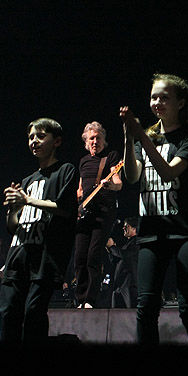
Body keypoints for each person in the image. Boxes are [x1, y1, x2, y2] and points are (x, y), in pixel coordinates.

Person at [120, 73, 188, 346]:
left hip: (186, 231)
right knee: (146, 307)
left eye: (164, 97)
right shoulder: (143, 137)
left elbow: (169, 173)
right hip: (151, 232)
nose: (157, 101)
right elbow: (133, 177)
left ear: (181, 103)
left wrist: (141, 137)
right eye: (153, 97)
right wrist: (129, 137)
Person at [0, 118, 78, 343]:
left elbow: (64, 209)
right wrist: (13, 209)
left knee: (33, 314)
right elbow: (12, 226)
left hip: (44, 258)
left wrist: (28, 200)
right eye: (31, 137)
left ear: (57, 141)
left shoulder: (65, 171)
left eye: (41, 136)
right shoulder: (27, 180)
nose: (34, 141)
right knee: (7, 313)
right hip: (18, 256)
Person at [74, 121, 122, 309]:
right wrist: (76, 205)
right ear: (86, 142)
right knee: (79, 257)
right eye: (91, 138)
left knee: (94, 255)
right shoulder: (83, 161)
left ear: (104, 140)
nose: (95, 141)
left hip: (103, 212)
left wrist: (110, 185)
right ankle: (79, 298)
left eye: (98, 138)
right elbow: (79, 189)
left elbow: (118, 182)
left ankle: (89, 300)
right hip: (83, 212)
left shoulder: (111, 156)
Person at [106, 216, 139, 308]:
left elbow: (126, 255)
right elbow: (116, 260)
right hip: (120, 284)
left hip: (129, 284)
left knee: (129, 313)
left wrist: (112, 247)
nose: (123, 228)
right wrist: (110, 250)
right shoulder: (127, 244)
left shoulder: (137, 242)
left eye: (126, 226)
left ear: (134, 228)